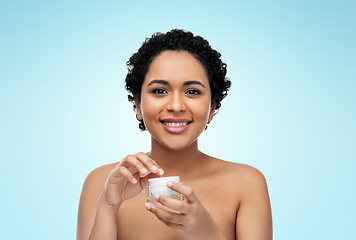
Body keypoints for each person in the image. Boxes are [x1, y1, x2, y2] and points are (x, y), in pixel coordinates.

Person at [76, 29, 272, 240]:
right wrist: (107, 205)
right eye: (160, 90)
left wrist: (208, 233)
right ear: (138, 105)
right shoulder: (102, 183)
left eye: (192, 92)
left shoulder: (246, 184)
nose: (176, 106)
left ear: (212, 107)